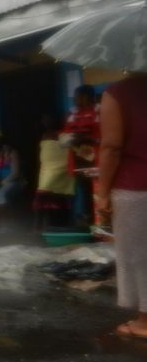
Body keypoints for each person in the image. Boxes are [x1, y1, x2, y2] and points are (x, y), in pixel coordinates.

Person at [95, 72, 147, 339]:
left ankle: (145, 322)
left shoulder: (118, 93)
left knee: (139, 255)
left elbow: (112, 146)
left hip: (136, 187)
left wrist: (102, 192)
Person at [62, 84, 100, 226]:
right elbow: (64, 136)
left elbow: (104, 136)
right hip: (78, 162)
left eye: (76, 96)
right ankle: (84, 223)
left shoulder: (98, 112)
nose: (74, 99)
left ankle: (99, 224)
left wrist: (87, 138)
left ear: (85, 97)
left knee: (97, 192)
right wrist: (69, 138)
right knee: (82, 193)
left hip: (96, 161)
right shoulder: (72, 115)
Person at [33, 116, 75, 230]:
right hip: (46, 169)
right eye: (44, 122)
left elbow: (70, 146)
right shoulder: (44, 135)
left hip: (58, 169)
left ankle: (41, 226)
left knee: (43, 196)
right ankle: (43, 226)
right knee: (46, 198)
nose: (45, 123)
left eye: (47, 121)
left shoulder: (61, 135)